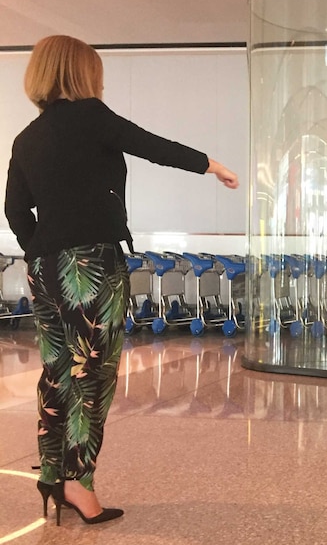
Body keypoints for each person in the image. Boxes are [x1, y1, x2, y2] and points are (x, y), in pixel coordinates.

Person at [4, 35, 239, 525]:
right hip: (91, 265)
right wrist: (211, 164)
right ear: (82, 73)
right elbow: (150, 145)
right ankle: (79, 484)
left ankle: (53, 472)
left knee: (57, 370)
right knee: (93, 376)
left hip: (44, 268)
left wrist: (40, 250)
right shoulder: (92, 116)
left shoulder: (26, 137)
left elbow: (14, 208)